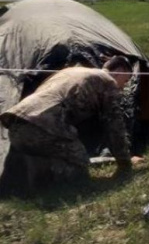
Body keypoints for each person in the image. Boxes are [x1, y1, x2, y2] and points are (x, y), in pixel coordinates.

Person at [0, 56, 141, 194]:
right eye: (126, 80)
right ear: (119, 72)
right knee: (79, 163)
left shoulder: (72, 71)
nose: (124, 87)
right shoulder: (108, 81)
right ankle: (52, 182)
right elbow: (115, 128)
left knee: (64, 151)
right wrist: (125, 164)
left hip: (16, 124)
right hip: (43, 126)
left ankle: (30, 179)